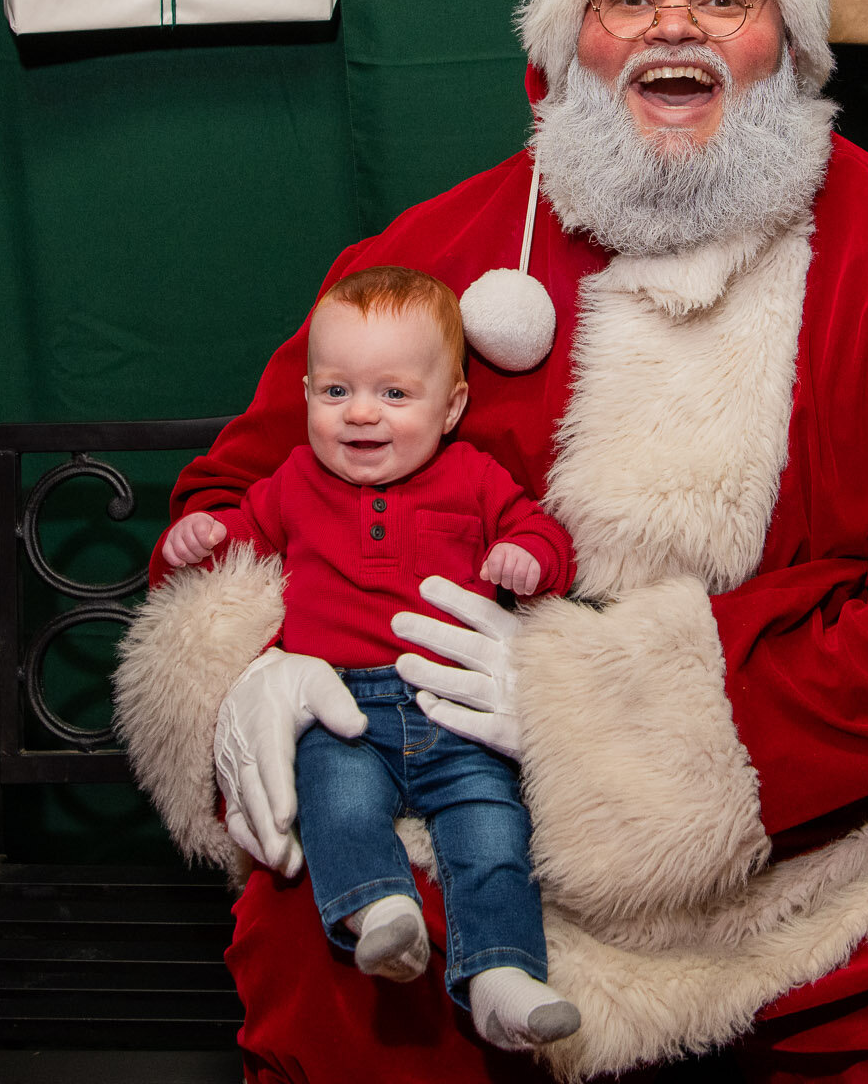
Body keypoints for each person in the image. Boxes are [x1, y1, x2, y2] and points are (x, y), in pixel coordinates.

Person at [113, 0, 868, 1082]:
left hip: (836, 842)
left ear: (788, 54)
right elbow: (229, 507)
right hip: (464, 808)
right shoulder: (434, 259)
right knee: (329, 966)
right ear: (560, 58)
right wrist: (252, 669)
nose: (670, 28)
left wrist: (597, 719)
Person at [157, 266, 582, 1051]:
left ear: (450, 406)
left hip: (454, 706)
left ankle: (502, 975)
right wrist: (200, 538)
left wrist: (528, 555)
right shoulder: (293, 483)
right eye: (335, 392)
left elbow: (546, 533)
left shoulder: (474, 477)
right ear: (310, 394)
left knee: (491, 828)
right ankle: (379, 911)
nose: (360, 415)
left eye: (393, 394)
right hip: (337, 705)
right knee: (332, 806)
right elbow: (237, 550)